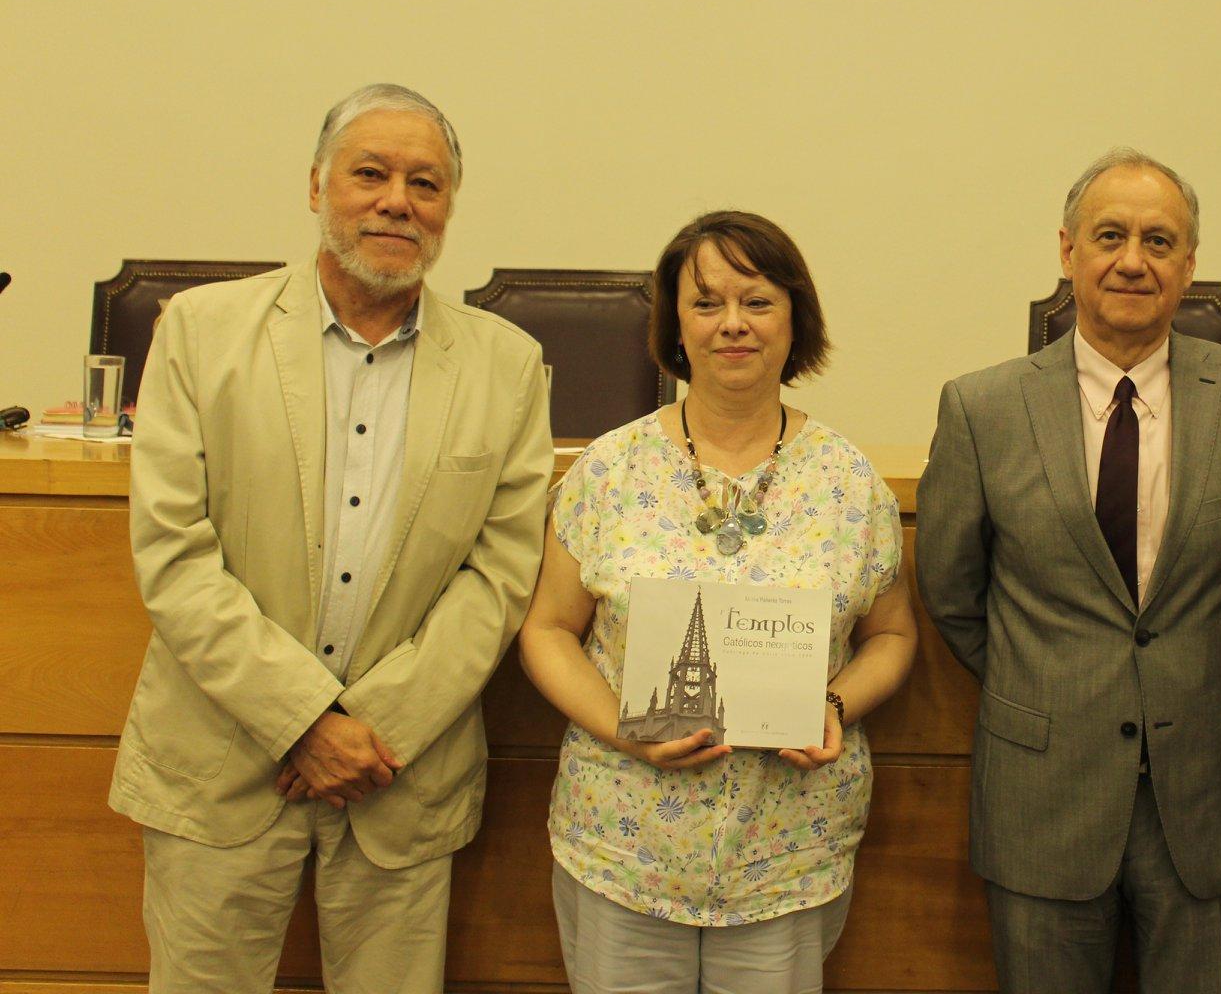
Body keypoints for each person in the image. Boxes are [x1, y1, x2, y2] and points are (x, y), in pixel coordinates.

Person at [111, 83, 554, 992]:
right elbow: (174, 553)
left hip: (401, 774)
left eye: (426, 183)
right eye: (371, 173)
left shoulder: (506, 364)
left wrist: (371, 730)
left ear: (448, 210)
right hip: (219, 766)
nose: (398, 199)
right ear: (317, 187)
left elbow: (501, 574)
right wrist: (304, 719)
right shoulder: (200, 332)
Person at [917, 148, 1221, 994]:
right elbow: (953, 596)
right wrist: (1055, 683)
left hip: (1209, 792)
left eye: (1159, 240)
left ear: (1190, 265)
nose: (1133, 260)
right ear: (1068, 252)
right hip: (1044, 792)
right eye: (1110, 236)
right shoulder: (982, 408)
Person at [519, 210, 915, 994]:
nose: (732, 323)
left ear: (794, 318)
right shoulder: (608, 470)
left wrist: (835, 704)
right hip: (622, 849)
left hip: (786, 855)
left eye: (757, 300)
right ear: (676, 324)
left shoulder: (849, 482)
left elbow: (893, 635)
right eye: (706, 303)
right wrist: (623, 730)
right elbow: (548, 631)